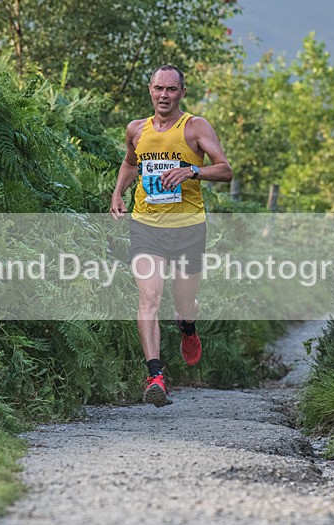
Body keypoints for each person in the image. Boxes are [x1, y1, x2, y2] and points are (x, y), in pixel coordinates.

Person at [110, 65, 232, 407]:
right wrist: (118, 193)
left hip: (188, 229)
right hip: (146, 226)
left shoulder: (195, 127)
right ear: (150, 90)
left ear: (182, 93)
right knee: (149, 295)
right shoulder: (136, 129)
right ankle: (155, 376)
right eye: (159, 88)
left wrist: (192, 170)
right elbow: (130, 163)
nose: (164, 95)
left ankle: (187, 325)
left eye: (171, 89)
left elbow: (225, 170)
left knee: (183, 302)